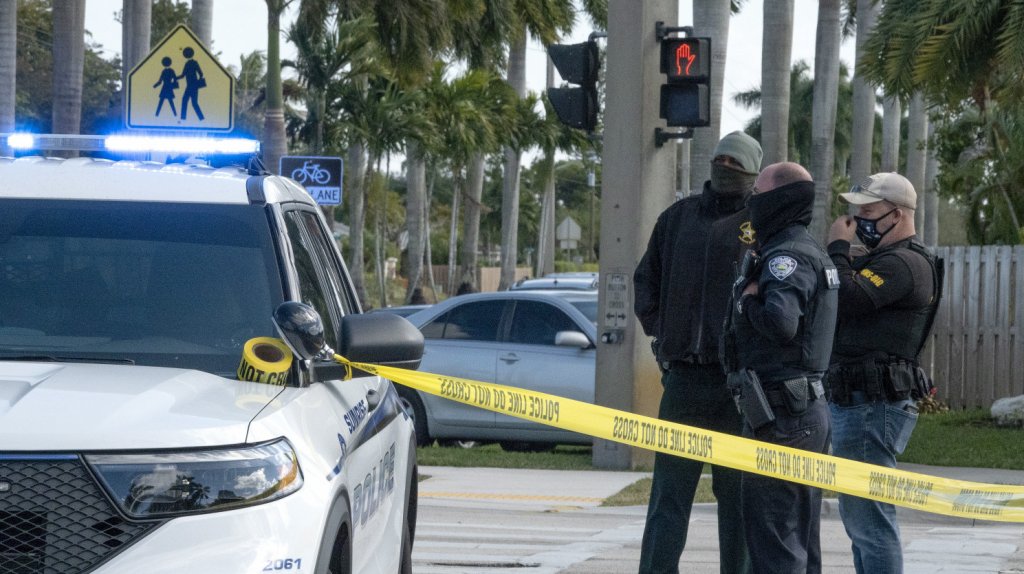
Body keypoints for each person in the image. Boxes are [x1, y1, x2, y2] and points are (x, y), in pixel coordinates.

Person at [633, 130, 763, 574]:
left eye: (737, 164)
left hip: (737, 387)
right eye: (721, 159)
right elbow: (644, 281)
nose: (725, 168)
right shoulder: (677, 218)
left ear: (753, 173)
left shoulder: (761, 225)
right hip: (684, 381)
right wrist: (662, 332)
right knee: (668, 497)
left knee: (737, 501)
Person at [723, 162, 838, 574]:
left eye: (759, 193)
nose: (751, 201)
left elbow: (780, 322)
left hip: (781, 418)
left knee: (775, 543)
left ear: (778, 201)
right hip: (800, 412)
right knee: (799, 540)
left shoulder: (785, 257)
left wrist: (749, 299)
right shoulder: (810, 250)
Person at [826, 173, 942, 573]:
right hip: (858, 401)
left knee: (870, 522)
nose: (859, 221)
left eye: (869, 212)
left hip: (870, 406)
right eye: (856, 212)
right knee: (861, 523)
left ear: (898, 214)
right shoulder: (883, 259)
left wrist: (838, 248)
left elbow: (850, 298)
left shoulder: (905, 263)